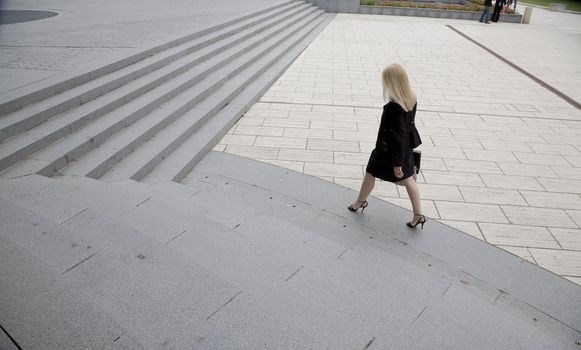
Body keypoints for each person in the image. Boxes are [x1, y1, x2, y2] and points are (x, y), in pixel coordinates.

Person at [348, 64, 426, 229]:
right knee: (403, 178)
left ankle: (360, 202)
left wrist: (397, 162)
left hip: (389, 150)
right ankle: (418, 215)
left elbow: (397, 134)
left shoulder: (394, 107)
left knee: (374, 172)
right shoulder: (411, 97)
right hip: (404, 148)